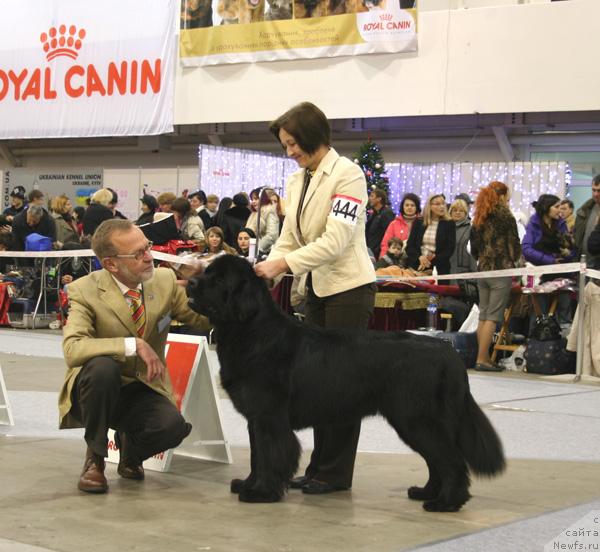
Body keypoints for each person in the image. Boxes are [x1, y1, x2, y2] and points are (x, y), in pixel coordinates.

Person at [255, 101, 376, 495]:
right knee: (319, 386)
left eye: (292, 143)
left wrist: (283, 265)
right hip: (316, 291)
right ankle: (318, 466)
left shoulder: (349, 175)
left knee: (342, 387)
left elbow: (336, 241)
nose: (289, 151)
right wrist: (266, 269)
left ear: (312, 136)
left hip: (348, 290)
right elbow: (290, 236)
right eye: (285, 145)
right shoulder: (297, 180)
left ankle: (335, 473)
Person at [58, 219, 210, 494]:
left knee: (173, 428)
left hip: (142, 387)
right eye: (138, 254)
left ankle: (131, 453)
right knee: (103, 367)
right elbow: (73, 349)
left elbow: (201, 320)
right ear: (111, 264)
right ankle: (95, 459)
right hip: (95, 390)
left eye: (147, 247)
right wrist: (132, 344)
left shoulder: (163, 280)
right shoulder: (84, 290)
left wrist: (209, 286)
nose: (149, 256)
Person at [470, 181, 521, 372]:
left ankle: (481, 357)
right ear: (502, 197)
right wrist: (513, 260)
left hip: (483, 270)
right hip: (500, 271)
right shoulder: (506, 217)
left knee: (483, 315)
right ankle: (482, 359)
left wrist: (482, 260)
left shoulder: (479, 217)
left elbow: (474, 248)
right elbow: (514, 246)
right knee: (493, 316)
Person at [522, 194, 576, 326]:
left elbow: (571, 249)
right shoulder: (534, 223)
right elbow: (526, 249)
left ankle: (563, 341)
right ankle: (536, 341)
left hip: (561, 274)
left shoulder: (561, 224)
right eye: (557, 207)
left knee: (564, 310)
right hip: (540, 274)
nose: (560, 210)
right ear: (547, 208)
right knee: (539, 311)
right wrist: (549, 260)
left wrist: (567, 254)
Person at [405, 194, 456, 275]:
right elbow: (410, 246)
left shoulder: (449, 223)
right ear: (429, 206)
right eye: (437, 204)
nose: (442, 206)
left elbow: (449, 249)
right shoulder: (419, 222)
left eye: (443, 203)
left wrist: (430, 261)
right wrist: (420, 257)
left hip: (440, 267)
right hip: (417, 265)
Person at [379, 192, 421, 257]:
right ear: (402, 207)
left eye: (412, 205)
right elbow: (385, 244)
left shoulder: (422, 223)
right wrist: (383, 260)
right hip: (396, 260)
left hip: (416, 260)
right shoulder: (394, 224)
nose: (409, 207)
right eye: (407, 205)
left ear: (417, 207)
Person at [574, 174, 600, 268]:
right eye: (594, 190)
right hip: (585, 265)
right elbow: (578, 238)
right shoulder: (585, 210)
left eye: (599, 190)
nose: (596, 194)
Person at [246, 187, 279, 255]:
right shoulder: (254, 214)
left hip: (265, 252)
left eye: (256, 199)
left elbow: (272, 236)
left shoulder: (269, 211)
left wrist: (258, 248)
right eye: (252, 199)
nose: (253, 201)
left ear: (263, 199)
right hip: (252, 250)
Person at [365, 188, 395, 260]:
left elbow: (388, 234)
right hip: (370, 250)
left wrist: (379, 249)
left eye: (372, 196)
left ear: (379, 199)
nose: (369, 198)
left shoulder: (387, 213)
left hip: (378, 253)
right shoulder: (374, 213)